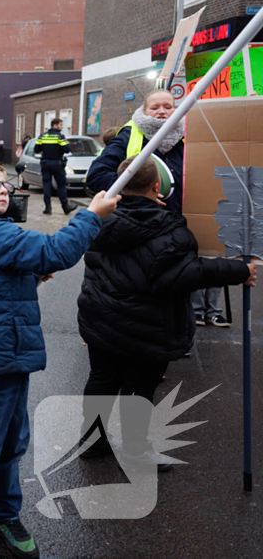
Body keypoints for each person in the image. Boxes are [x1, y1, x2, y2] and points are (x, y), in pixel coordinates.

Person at [0, 161, 119, 559]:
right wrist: (91, 215)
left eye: (6, 183)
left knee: (10, 444)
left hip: (10, 356)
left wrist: (29, 278)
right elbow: (57, 251)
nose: (4, 189)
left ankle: (4, 514)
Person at [77, 157, 255, 471]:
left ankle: (92, 441)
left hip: (101, 319)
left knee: (102, 378)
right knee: (140, 388)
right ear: (157, 186)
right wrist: (240, 270)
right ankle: (135, 452)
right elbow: (188, 273)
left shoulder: (98, 220)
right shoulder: (169, 228)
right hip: (147, 326)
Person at [85, 92, 227, 325]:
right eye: (155, 107)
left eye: (168, 107)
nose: (162, 112)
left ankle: (185, 327)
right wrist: (138, 194)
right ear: (144, 110)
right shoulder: (129, 135)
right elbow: (96, 176)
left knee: (178, 286)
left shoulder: (192, 134)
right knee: (143, 290)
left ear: (176, 110)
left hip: (180, 225)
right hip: (138, 227)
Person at [35, 118, 77, 216]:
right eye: (61, 125)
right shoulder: (60, 137)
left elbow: (36, 149)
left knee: (46, 185)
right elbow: (67, 149)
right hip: (57, 163)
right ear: (55, 125)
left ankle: (48, 208)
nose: (62, 127)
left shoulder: (42, 136)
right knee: (61, 185)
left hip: (45, 163)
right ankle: (65, 207)